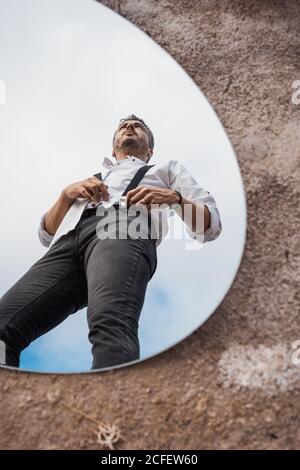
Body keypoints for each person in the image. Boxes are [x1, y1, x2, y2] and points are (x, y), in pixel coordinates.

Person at [0, 114, 222, 370]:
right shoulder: (90, 178)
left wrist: (174, 198)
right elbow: (45, 234)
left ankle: (114, 402)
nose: (129, 127)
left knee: (110, 320)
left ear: (150, 150)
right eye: (123, 127)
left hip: (123, 227)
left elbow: (211, 226)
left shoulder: (167, 170)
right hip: (67, 243)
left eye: (138, 127)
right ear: (113, 146)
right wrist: (65, 195)